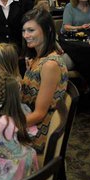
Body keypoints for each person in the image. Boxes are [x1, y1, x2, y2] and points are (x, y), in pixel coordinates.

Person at [21, 8, 68, 153]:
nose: (26, 35)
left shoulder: (50, 65)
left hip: (38, 133)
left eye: (31, 30)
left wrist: (6, 125)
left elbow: (39, 114)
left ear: (47, 29)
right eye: (24, 31)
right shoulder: (37, 58)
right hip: (29, 120)